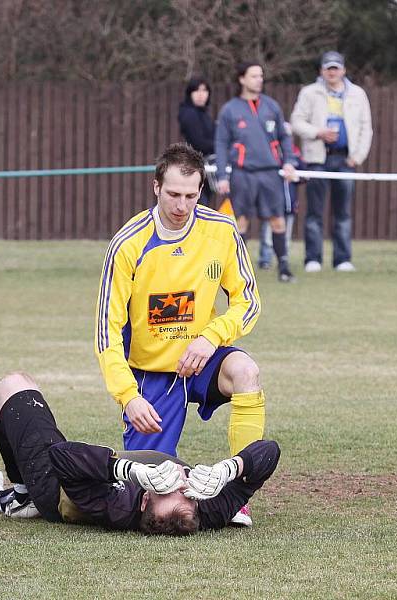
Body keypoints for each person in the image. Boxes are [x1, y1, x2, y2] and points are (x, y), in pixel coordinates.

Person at [95, 142, 265, 526]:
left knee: (246, 372)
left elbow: (248, 302)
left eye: (191, 195)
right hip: (150, 375)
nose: (181, 205)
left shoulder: (221, 231)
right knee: (150, 492)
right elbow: (106, 332)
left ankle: (239, 496)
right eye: (173, 194)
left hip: (201, 360)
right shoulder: (128, 244)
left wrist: (211, 337)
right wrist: (128, 397)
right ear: (156, 187)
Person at [0, 372, 280, 534]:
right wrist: (229, 469)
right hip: (86, 475)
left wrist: (130, 471)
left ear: (144, 497)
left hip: (57, 487)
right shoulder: (207, 511)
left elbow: (62, 456)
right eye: (189, 493)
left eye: (168, 488)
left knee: (13, 384)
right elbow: (270, 452)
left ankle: (23, 495)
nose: (182, 480)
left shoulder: (116, 505)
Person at [290, 51, 373, 273]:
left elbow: (366, 127)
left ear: (343, 70)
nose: (332, 72)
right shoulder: (309, 93)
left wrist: (357, 156)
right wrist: (318, 132)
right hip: (317, 159)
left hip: (345, 159)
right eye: (328, 68)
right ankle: (313, 259)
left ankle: (342, 259)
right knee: (315, 211)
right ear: (321, 71)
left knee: (343, 212)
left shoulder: (357, 94)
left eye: (336, 68)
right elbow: (296, 122)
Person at [214, 61, 297, 283]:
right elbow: (221, 144)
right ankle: (238, 273)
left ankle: (284, 268)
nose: (259, 80)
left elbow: (284, 137)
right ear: (242, 79)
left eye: (261, 76)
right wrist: (222, 176)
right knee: (240, 222)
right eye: (253, 76)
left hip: (270, 174)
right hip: (243, 174)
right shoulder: (230, 110)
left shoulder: (272, 107)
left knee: (278, 221)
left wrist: (289, 161)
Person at [258, 123, 305, 269]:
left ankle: (283, 260)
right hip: (272, 202)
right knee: (268, 233)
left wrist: (295, 176)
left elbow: (304, 173)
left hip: (289, 204)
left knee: (286, 234)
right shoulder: (270, 152)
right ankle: (265, 259)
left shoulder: (295, 153)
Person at [178, 76, 216, 206]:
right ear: (190, 93)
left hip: (205, 166)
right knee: (198, 204)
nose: (201, 94)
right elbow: (198, 142)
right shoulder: (189, 114)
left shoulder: (204, 114)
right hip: (193, 166)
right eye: (197, 90)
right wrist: (221, 146)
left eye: (204, 90)